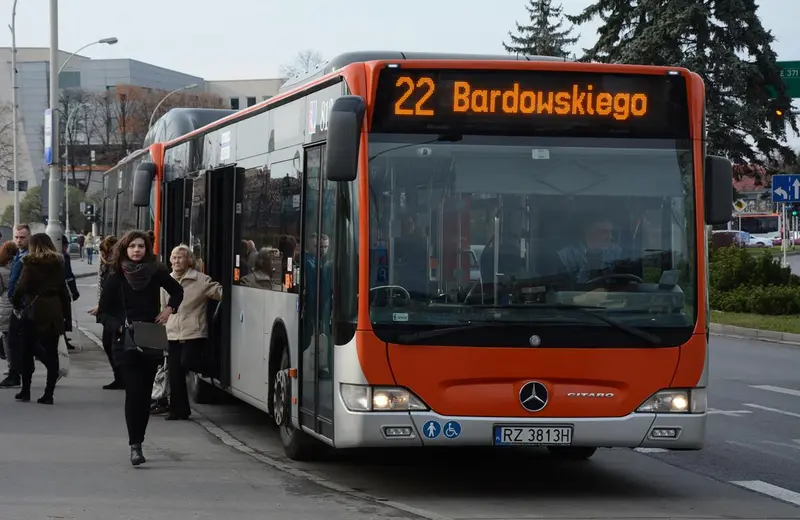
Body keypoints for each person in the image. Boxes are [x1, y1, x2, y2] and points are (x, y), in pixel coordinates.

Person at [97, 230, 183, 466]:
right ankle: (135, 445)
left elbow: (177, 291)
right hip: (123, 341)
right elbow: (102, 313)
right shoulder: (116, 276)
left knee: (144, 394)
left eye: (141, 246)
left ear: (147, 249)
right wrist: (118, 327)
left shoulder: (156, 273)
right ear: (125, 249)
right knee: (134, 391)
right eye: (133, 246)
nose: (137, 250)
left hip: (150, 337)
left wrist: (169, 310)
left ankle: (139, 439)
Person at [162, 244, 221, 420]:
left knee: (186, 363)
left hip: (194, 332)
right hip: (172, 332)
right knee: (175, 373)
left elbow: (221, 293)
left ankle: (214, 369)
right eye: (173, 257)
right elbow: (161, 306)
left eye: (180, 257)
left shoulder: (201, 280)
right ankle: (178, 410)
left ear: (189, 260)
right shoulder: (166, 280)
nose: (176, 260)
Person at [11, 233, 71, 404]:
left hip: (33, 311)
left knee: (27, 351)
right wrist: (66, 317)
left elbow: (20, 288)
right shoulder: (58, 264)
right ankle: (48, 394)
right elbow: (63, 292)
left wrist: (17, 304)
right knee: (53, 354)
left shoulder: (30, 264)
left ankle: (26, 390)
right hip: (53, 310)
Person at [89, 235, 123, 389]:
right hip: (107, 311)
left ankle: (122, 377)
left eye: (106, 253)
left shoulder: (118, 267)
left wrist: (100, 306)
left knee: (114, 345)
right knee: (108, 344)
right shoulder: (104, 266)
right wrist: (99, 304)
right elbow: (100, 288)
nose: (103, 256)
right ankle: (119, 377)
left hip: (116, 311)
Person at [0, 224, 31, 388]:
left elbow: (22, 283)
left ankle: (15, 374)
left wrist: (17, 300)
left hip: (22, 305)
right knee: (16, 341)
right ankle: (16, 374)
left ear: (29, 238)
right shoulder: (20, 255)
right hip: (16, 305)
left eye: (22, 237)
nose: (19, 240)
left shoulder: (29, 256)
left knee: (18, 342)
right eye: (17, 237)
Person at [0, 241, 19, 371]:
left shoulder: (1, 268)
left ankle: (11, 365)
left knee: (7, 336)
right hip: (18, 300)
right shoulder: (19, 264)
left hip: (4, 303)